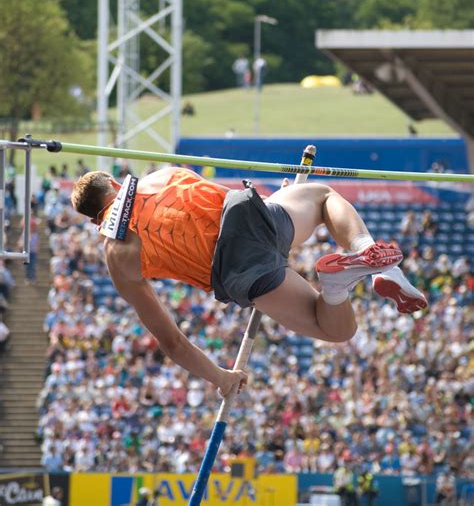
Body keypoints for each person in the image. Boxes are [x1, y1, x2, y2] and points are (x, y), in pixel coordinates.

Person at [71, 166, 428, 397]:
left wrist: (221, 377)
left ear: (93, 221)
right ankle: (371, 256)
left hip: (237, 269)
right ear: (116, 183)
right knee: (321, 198)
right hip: (251, 214)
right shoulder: (158, 177)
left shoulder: (117, 258)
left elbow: (172, 343)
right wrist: (278, 203)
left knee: (337, 330)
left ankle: (335, 288)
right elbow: (214, 205)